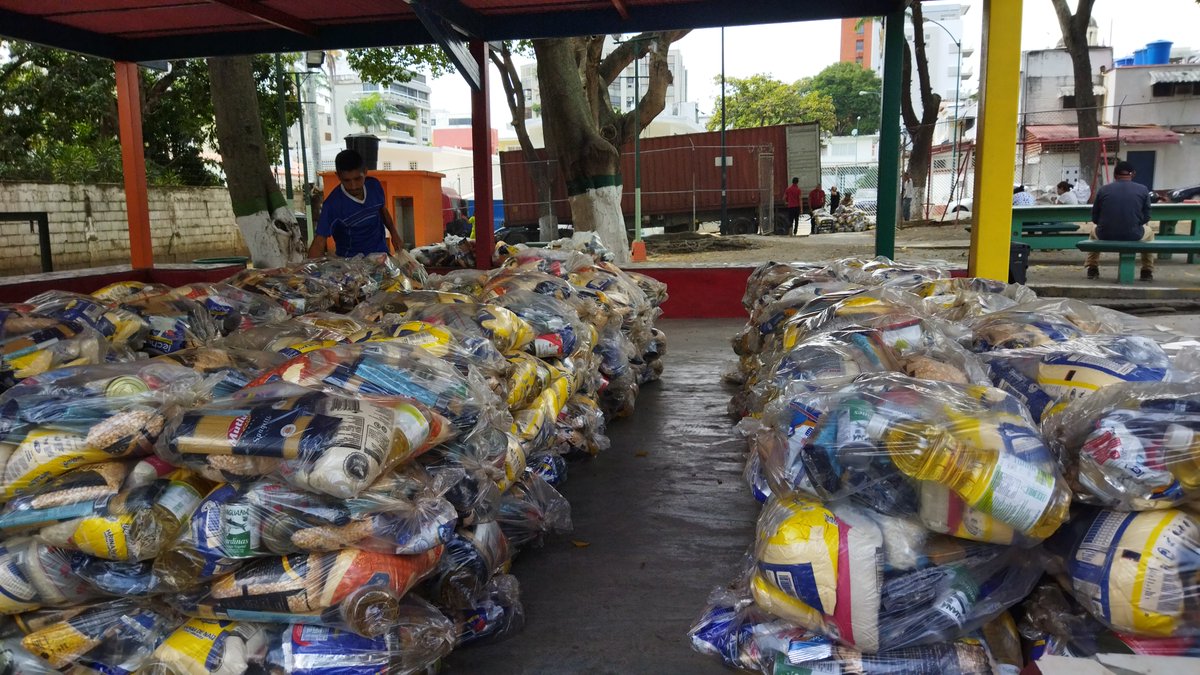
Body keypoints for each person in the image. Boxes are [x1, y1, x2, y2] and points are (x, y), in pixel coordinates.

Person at [308, 149, 402, 258]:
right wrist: (308, 270)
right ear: (338, 176)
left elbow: (382, 210)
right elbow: (319, 242)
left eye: (358, 179)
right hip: (352, 264)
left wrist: (394, 234)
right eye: (347, 180)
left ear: (365, 171)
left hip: (381, 256)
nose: (353, 186)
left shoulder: (374, 186)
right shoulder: (332, 205)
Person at [1087, 160, 1154, 281]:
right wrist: (1136, 223)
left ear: (1115, 175)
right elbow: (1147, 216)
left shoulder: (1103, 190)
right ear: (1133, 174)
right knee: (1149, 232)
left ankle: (1092, 268)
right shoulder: (1143, 190)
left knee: (1093, 231)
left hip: (1105, 234)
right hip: (1133, 234)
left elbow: (1095, 217)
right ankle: (1146, 270)